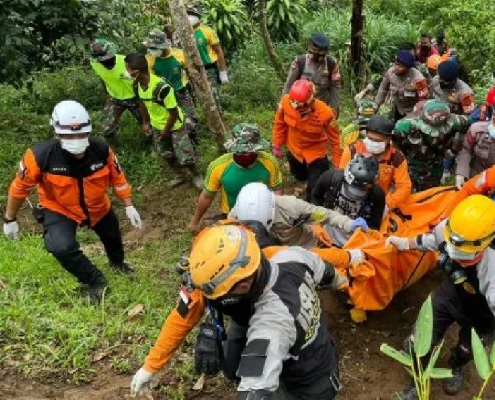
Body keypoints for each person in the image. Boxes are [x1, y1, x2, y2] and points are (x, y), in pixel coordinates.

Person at [129, 224, 345, 399]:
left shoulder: (271, 325)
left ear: (242, 286)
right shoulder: (292, 256)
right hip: (287, 338)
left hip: (307, 382)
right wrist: (151, 365)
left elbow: (254, 387)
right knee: (233, 367)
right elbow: (327, 272)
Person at [385, 195, 495, 400]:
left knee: (466, 350)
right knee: (421, 340)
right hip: (450, 296)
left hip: (482, 315)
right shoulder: (449, 230)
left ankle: (455, 366)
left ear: (484, 244)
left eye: (463, 253)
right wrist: (403, 243)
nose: (453, 253)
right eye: (451, 246)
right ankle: (418, 381)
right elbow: (431, 240)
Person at [3, 101, 141, 303]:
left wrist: (129, 205)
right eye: (69, 136)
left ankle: (117, 263)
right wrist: (9, 218)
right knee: (59, 246)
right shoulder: (40, 156)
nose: (76, 140)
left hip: (98, 206)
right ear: (56, 133)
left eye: (81, 134)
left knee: (112, 236)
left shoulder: (101, 150)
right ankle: (95, 281)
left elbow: (117, 177)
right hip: (59, 208)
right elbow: (19, 189)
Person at [126, 53, 203, 189]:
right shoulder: (137, 85)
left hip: (174, 125)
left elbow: (173, 112)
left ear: (136, 72)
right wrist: (145, 122)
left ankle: (196, 174)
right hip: (157, 125)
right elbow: (142, 103)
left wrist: (166, 131)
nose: (126, 72)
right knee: (166, 153)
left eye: (128, 69)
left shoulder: (162, 87)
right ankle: (180, 176)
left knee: (185, 154)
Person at [189, 124, 282, 233]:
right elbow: (206, 196)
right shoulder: (218, 166)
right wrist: (194, 222)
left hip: (264, 213)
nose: (246, 155)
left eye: (250, 152)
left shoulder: (269, 163)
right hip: (232, 216)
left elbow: (277, 191)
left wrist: (276, 215)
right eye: (242, 152)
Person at [229, 183, 368, 248]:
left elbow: (326, 216)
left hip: (301, 246)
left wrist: (348, 223)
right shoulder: (236, 214)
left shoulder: (292, 207)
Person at [272, 79, 341, 202]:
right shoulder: (285, 103)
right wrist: (277, 144)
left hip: (316, 152)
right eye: (294, 103)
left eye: (300, 104)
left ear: (310, 99)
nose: (296, 107)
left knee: (315, 187)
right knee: (299, 175)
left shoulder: (325, 113)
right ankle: (305, 181)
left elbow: (335, 139)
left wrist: (338, 163)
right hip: (294, 149)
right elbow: (280, 123)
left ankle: (312, 205)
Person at [339, 115, 412, 211]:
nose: (372, 143)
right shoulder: (352, 150)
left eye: (377, 141)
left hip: (381, 199)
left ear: (388, 140)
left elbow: (404, 187)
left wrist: (387, 204)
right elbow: (340, 177)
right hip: (351, 196)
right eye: (370, 138)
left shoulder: (396, 158)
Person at [392, 100, 469, 189]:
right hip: (413, 159)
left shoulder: (457, 122)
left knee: (432, 189)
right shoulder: (405, 126)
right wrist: (403, 157)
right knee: (408, 188)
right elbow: (396, 143)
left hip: (436, 161)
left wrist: (454, 149)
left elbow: (465, 127)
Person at [312, 153, 385, 246]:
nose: (355, 196)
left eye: (361, 191)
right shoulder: (330, 178)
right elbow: (316, 196)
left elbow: (375, 224)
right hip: (328, 230)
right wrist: (317, 221)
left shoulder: (377, 195)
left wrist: (368, 233)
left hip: (354, 240)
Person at [143, 29, 198, 136]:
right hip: (164, 95)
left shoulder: (179, 54)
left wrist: (195, 87)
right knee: (171, 120)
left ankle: (193, 138)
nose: (151, 50)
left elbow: (189, 71)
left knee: (190, 119)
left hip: (181, 91)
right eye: (150, 47)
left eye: (154, 48)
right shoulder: (149, 60)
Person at [89, 39, 144, 139]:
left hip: (135, 98)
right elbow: (103, 78)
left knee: (147, 125)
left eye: (110, 59)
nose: (108, 62)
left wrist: (142, 99)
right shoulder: (95, 64)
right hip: (114, 98)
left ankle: (154, 147)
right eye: (104, 61)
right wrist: (106, 94)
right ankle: (113, 151)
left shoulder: (126, 63)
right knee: (107, 129)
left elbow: (142, 80)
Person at [282, 32, 342, 117]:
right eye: (315, 53)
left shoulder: (331, 64)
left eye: (321, 53)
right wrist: (284, 106)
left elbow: (334, 88)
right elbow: (289, 85)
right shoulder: (300, 62)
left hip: (322, 106)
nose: (318, 56)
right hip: (301, 106)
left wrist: (334, 108)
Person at [186, 5, 229, 104]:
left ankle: (219, 117)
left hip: (209, 69)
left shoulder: (207, 31)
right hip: (194, 70)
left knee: (213, 98)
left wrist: (223, 72)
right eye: (188, 14)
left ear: (198, 16)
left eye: (192, 14)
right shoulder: (184, 33)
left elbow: (219, 51)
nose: (190, 16)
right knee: (201, 100)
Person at [374, 50, 428, 121]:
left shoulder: (418, 79)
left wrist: (416, 117)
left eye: (400, 66)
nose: (396, 67)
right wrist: (376, 105)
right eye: (396, 64)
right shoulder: (390, 73)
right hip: (398, 107)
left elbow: (423, 100)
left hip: (413, 110)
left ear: (408, 68)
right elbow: (383, 89)